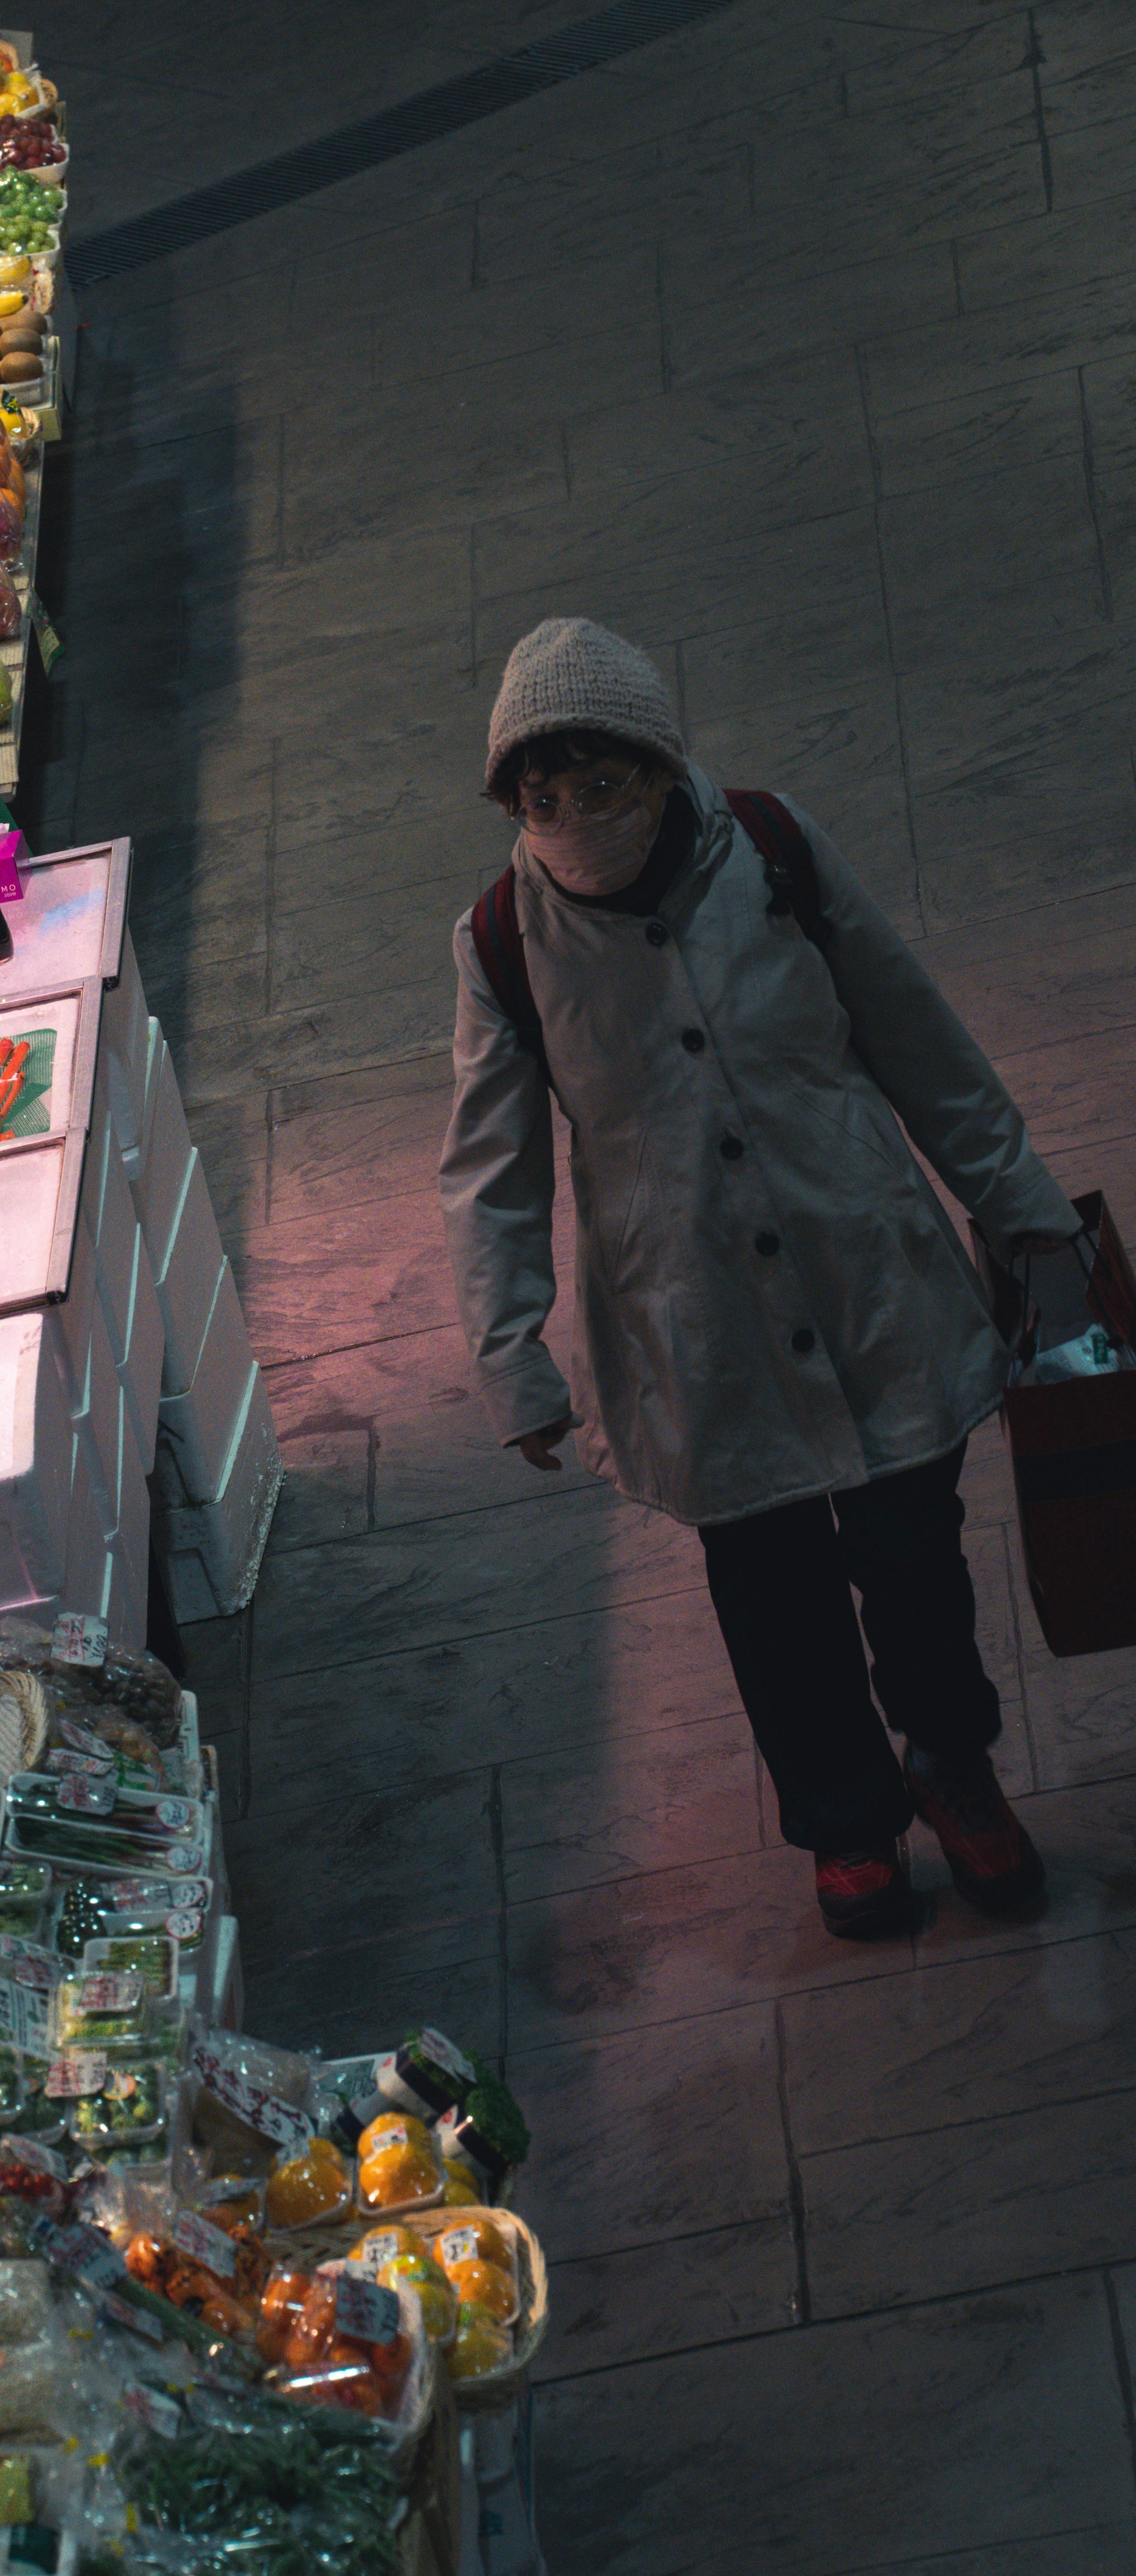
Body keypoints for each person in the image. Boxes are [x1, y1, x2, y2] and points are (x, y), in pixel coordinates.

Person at [440, 615, 1080, 1940]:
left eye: (602, 783)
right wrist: (513, 1351)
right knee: (772, 1593)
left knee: (917, 1564)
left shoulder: (771, 849)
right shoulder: (505, 940)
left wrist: (1020, 1209)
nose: (575, 816)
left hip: (867, 1275)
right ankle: (846, 1822)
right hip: (696, 1323)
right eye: (542, 795)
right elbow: (492, 1166)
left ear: (662, 767)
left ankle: (952, 1766)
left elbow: (916, 1035)